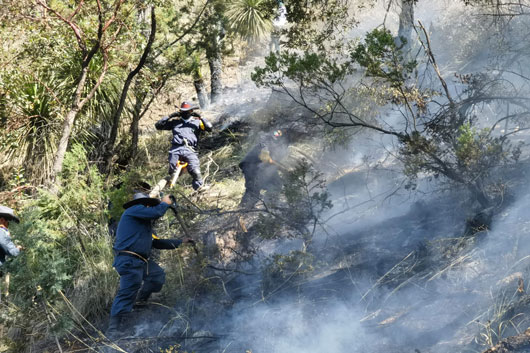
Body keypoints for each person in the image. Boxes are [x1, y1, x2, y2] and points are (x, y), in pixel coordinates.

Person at [106, 192, 194, 339]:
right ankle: (113, 330)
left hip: (140, 261)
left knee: (157, 275)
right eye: (147, 205)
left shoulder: (143, 226)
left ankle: (140, 300)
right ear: (142, 205)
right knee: (127, 291)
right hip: (128, 260)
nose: (148, 207)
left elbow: (156, 243)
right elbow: (157, 212)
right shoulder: (133, 210)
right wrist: (165, 203)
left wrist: (181, 241)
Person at [155, 101, 213, 191]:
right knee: (172, 171)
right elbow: (158, 126)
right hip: (176, 149)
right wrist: (170, 116)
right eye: (183, 111)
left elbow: (209, 128)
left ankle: (199, 189)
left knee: (196, 172)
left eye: (187, 111)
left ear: (191, 111)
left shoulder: (197, 122)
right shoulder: (175, 122)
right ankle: (170, 190)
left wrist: (201, 117)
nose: (185, 113)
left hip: (190, 150)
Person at [239, 130, 289, 207]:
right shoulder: (266, 144)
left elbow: (271, 162)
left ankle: (270, 205)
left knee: (276, 183)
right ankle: (243, 210)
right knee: (253, 190)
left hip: (262, 168)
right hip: (252, 166)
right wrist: (284, 169)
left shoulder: (275, 146)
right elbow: (267, 159)